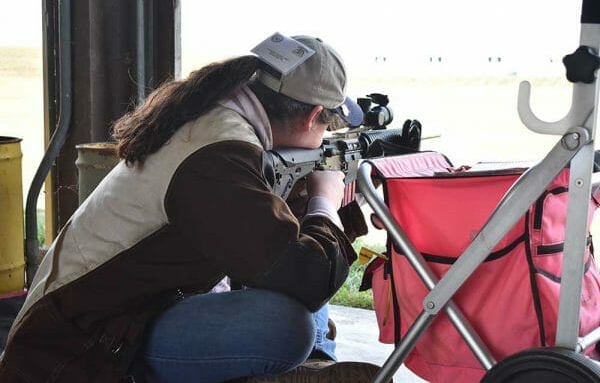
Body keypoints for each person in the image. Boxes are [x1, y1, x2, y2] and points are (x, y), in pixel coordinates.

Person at [0, 33, 383, 382]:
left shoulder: (213, 121)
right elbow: (305, 276)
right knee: (286, 326)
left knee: (301, 270)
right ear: (314, 116)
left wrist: (309, 204)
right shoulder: (218, 154)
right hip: (82, 341)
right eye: (328, 125)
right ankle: (306, 360)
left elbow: (264, 251)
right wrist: (324, 200)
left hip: (128, 310)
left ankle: (314, 363)